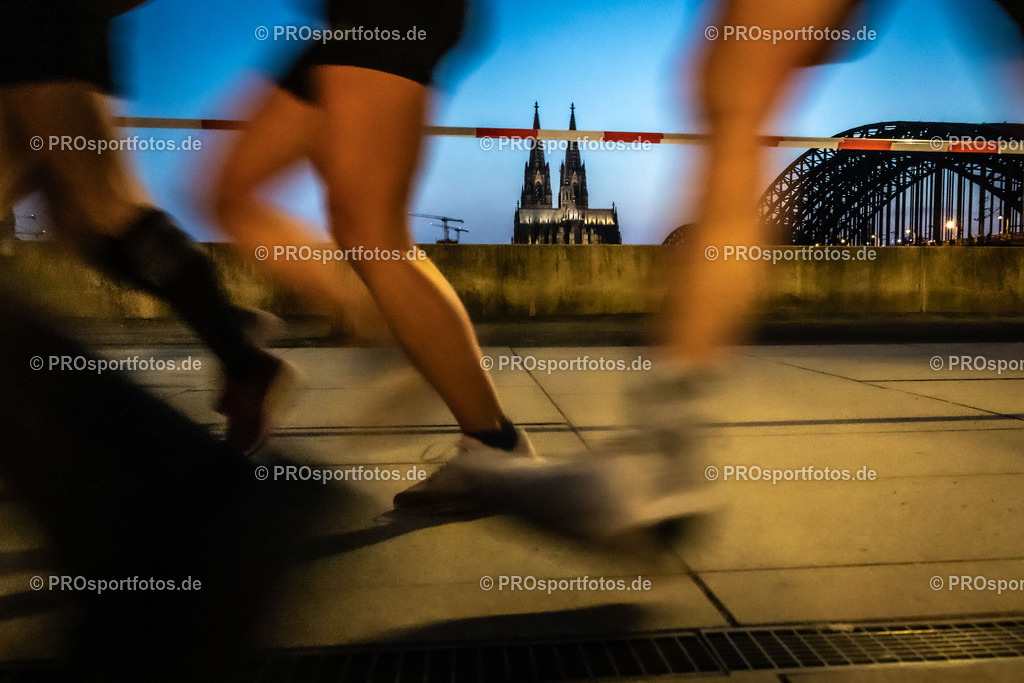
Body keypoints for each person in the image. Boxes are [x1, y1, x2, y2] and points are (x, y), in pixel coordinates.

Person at [212, 0, 536, 515]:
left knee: (372, 233)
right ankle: (390, 336)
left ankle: (493, 444)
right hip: (346, 21)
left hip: (386, 10)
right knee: (229, 195)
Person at [0, 0, 291, 455]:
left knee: (105, 206)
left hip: (41, 29)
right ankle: (230, 331)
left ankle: (241, 355)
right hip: (41, 31)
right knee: (79, 223)